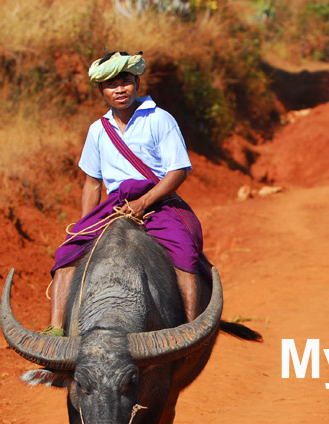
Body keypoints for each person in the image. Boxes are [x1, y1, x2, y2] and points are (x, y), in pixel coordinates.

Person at [43, 51, 209, 336]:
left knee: (184, 250)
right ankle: (56, 333)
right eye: (110, 84)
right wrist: (86, 227)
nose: (119, 89)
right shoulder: (97, 130)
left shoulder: (159, 119)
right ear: (101, 90)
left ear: (137, 83)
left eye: (125, 81)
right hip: (113, 206)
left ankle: (189, 333)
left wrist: (143, 202)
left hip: (159, 202)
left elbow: (178, 171)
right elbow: (92, 183)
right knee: (66, 255)